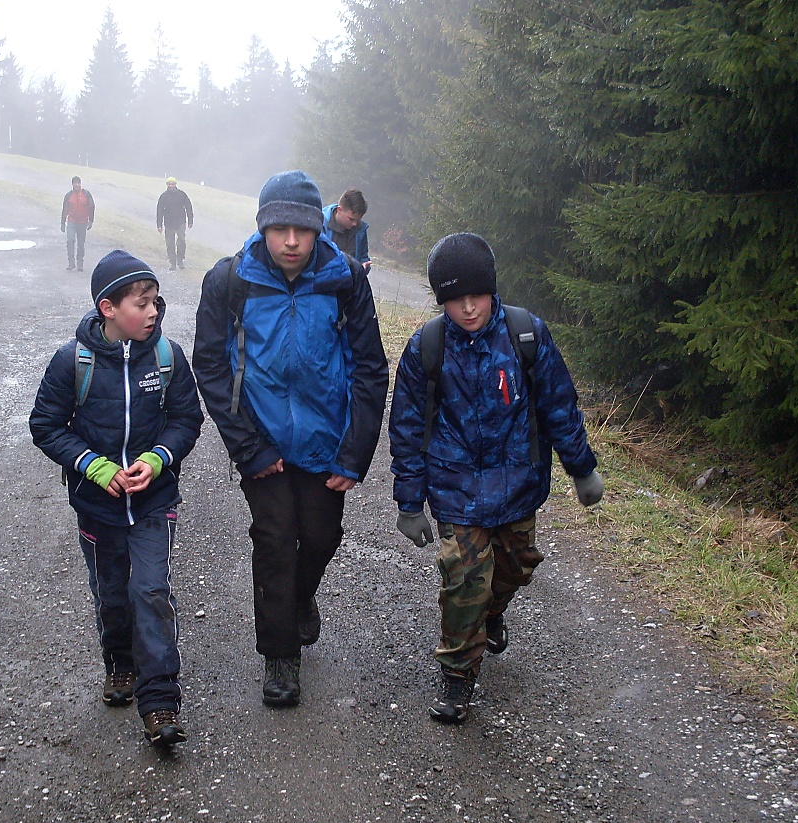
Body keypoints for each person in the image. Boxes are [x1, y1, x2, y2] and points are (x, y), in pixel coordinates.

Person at [388, 233, 604, 725]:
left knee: (516, 566)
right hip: (455, 489)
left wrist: (582, 468)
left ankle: (490, 612)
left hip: (517, 484)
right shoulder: (427, 347)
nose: (468, 308)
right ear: (441, 300)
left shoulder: (526, 335)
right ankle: (458, 676)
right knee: (464, 578)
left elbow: (558, 406)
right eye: (455, 299)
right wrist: (409, 502)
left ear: (492, 290)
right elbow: (407, 428)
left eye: (476, 296)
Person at [193, 171, 388, 708]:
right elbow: (210, 365)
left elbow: (370, 368)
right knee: (276, 538)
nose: (292, 242)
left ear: (318, 227)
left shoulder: (345, 279)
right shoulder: (230, 280)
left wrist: (355, 453)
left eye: (302, 230)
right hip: (264, 440)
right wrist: (247, 446)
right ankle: (280, 656)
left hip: (327, 440)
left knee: (322, 538)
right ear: (263, 228)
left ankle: (301, 599)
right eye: (280, 230)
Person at [29, 249, 203, 747]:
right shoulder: (73, 361)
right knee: (112, 594)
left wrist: (158, 458)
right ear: (108, 308)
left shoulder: (168, 357)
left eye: (155, 302)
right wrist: (93, 465)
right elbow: (45, 426)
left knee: (150, 590)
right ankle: (120, 661)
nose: (152, 312)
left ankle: (160, 701)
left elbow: (186, 419)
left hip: (154, 502)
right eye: (141, 304)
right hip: (97, 506)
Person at [322, 188, 371, 272]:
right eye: (351, 219)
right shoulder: (320, 224)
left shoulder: (360, 230)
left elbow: (363, 257)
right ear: (339, 210)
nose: (355, 224)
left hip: (350, 279)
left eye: (358, 220)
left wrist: (363, 268)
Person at [156, 177, 194, 271]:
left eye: (172, 184)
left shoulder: (182, 194)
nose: (171, 186)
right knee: (170, 243)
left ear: (175, 184)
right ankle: (172, 262)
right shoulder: (163, 196)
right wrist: (159, 225)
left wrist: (190, 220)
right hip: (169, 223)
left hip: (180, 222)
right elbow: (159, 210)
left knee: (181, 240)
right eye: (169, 184)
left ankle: (180, 260)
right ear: (167, 185)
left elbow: (188, 207)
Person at [60, 176, 95, 272]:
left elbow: (91, 207)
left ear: (80, 184)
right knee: (70, 241)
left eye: (78, 183)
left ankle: (80, 264)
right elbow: (65, 209)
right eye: (75, 183)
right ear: (72, 184)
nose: (76, 185)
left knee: (81, 244)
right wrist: (62, 222)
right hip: (71, 221)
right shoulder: (69, 195)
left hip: (83, 222)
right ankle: (71, 263)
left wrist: (91, 221)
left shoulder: (86, 194)